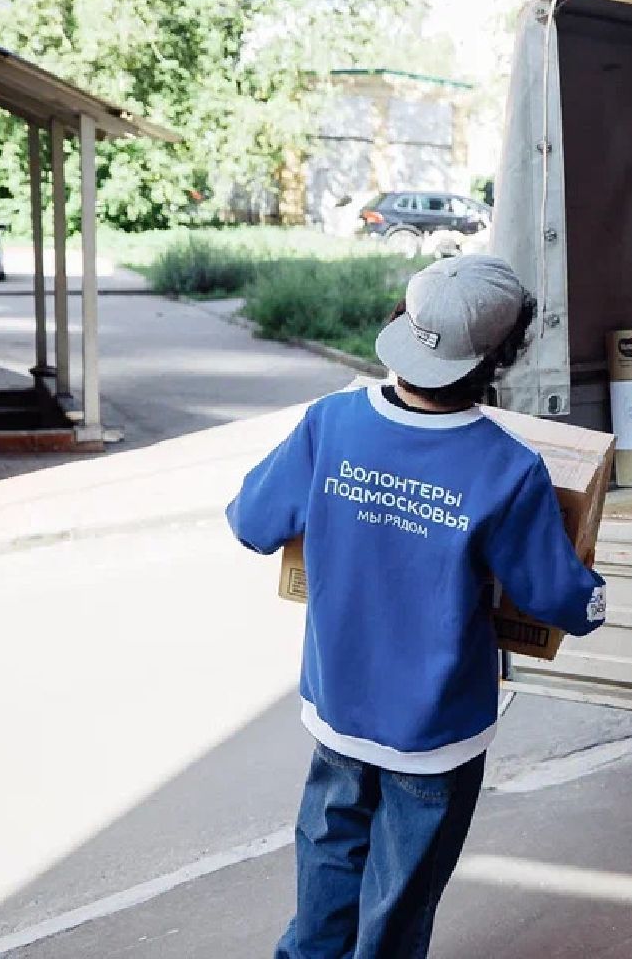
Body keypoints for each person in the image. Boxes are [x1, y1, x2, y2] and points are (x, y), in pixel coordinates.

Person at [226, 255, 607, 958]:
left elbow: (252, 522)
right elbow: (559, 598)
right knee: (401, 891)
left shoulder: (331, 423)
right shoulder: (509, 467)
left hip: (338, 706)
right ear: (502, 355)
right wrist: (596, 599)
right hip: (437, 732)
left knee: (327, 854)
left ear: (402, 324)